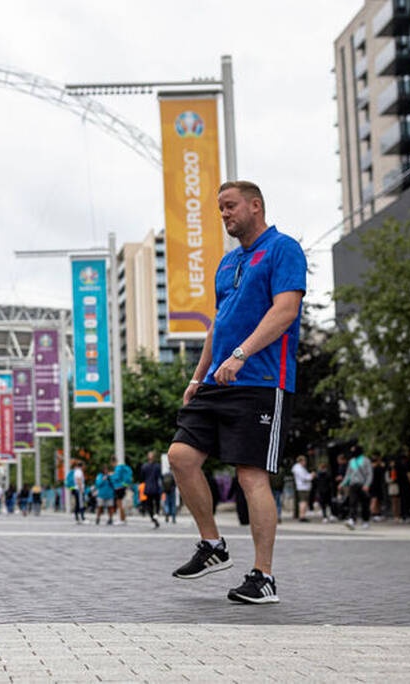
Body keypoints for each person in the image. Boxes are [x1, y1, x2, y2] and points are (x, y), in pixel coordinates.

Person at [167, 180, 306, 605]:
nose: (224, 214)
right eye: (220, 208)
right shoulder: (227, 264)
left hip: (260, 380)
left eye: (230, 207)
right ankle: (212, 545)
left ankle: (263, 576)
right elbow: (219, 325)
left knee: (250, 475)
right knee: (181, 457)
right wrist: (197, 377)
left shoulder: (283, 249)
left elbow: (285, 310)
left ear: (255, 205)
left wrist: (242, 354)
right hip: (218, 381)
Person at [342, 449, 373, 529]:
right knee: (353, 502)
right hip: (353, 484)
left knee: (365, 503)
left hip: (362, 485)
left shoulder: (366, 460)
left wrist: (367, 484)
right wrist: (343, 483)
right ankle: (352, 520)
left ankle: (365, 520)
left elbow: (369, 473)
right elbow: (348, 474)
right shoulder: (351, 461)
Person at [139, 451, 162, 529]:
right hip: (156, 487)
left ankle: (153, 517)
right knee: (157, 503)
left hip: (148, 488)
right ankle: (156, 514)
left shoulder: (144, 466)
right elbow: (160, 476)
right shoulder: (158, 466)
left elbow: (142, 478)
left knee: (149, 505)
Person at [291, 455, 314, 522]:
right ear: (301, 461)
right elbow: (304, 477)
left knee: (303, 502)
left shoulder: (300, 468)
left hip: (304, 487)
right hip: (303, 487)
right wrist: (311, 476)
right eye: (304, 461)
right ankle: (302, 516)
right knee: (303, 502)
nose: (305, 462)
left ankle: (302, 515)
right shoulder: (299, 468)